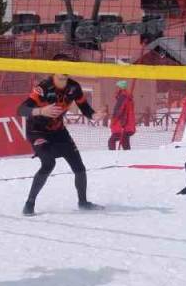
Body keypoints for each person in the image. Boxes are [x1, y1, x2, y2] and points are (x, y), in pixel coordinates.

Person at [18, 54, 105, 216]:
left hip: (59, 131)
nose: (64, 69)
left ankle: (83, 202)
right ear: (53, 70)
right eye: (60, 66)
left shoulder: (74, 87)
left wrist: (94, 116)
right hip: (37, 130)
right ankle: (29, 203)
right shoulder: (43, 88)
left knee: (79, 167)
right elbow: (21, 109)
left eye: (67, 65)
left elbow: (84, 107)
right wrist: (41, 111)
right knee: (48, 163)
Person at [107, 80, 136, 150]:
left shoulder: (123, 97)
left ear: (120, 88)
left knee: (111, 141)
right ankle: (127, 159)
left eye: (117, 87)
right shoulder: (127, 97)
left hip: (122, 126)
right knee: (125, 143)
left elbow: (118, 112)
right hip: (127, 126)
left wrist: (113, 122)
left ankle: (112, 157)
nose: (115, 89)